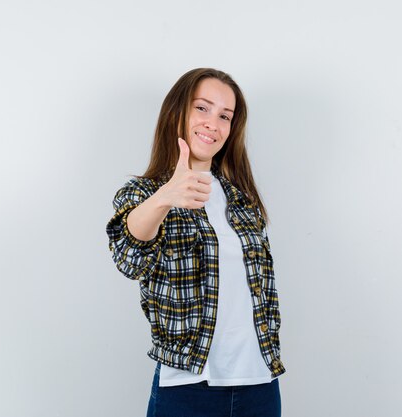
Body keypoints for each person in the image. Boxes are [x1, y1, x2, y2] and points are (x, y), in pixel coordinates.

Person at [105, 68, 285, 417]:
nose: (212, 123)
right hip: (187, 386)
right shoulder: (143, 194)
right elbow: (129, 259)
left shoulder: (242, 199)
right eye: (202, 108)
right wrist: (164, 198)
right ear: (178, 112)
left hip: (259, 382)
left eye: (224, 116)